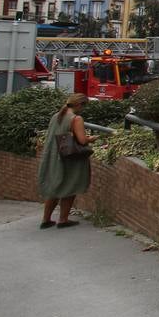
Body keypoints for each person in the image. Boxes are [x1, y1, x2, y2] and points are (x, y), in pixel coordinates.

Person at [38, 92, 98, 229]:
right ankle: (63, 219)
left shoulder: (56, 116)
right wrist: (92, 139)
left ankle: (46, 219)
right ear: (79, 104)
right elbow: (82, 140)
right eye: (84, 106)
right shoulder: (76, 119)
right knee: (70, 186)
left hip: (54, 156)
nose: (83, 109)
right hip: (70, 158)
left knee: (55, 188)